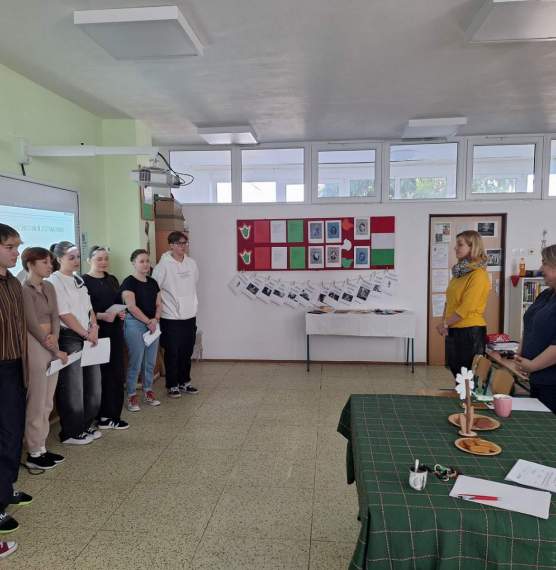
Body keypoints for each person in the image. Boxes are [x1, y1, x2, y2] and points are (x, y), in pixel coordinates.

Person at [48, 242, 101, 445]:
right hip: (70, 336)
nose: (76, 261)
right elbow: (64, 313)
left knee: (93, 384)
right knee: (73, 386)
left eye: (78, 257)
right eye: (71, 257)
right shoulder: (54, 281)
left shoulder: (78, 279)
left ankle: (85, 425)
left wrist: (94, 327)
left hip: (88, 334)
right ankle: (71, 432)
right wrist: (85, 333)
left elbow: (89, 308)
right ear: (59, 259)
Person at [0, 224, 32, 553]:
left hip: (14, 365)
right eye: (10, 247)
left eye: (17, 246)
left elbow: (20, 325)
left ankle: (5, 489)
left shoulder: (12, 282)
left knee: (12, 432)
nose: (16, 253)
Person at [21, 247, 68, 469]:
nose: (50, 266)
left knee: (48, 401)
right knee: (37, 401)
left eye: (50, 262)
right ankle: (33, 451)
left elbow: (55, 316)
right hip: (35, 344)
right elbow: (30, 322)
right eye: (45, 262)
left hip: (51, 343)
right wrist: (49, 343)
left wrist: (55, 338)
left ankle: (41, 447)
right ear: (30, 264)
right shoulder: (24, 289)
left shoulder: (49, 286)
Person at [82, 246, 129, 430]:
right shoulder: (83, 281)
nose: (103, 262)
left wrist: (120, 313)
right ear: (89, 260)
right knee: (101, 375)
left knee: (116, 373)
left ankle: (113, 415)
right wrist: (101, 316)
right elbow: (84, 309)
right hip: (97, 333)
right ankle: (102, 416)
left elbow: (117, 302)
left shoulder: (112, 279)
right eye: (99, 259)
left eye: (105, 258)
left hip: (115, 331)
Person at [437, 230, 491, 378]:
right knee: (457, 373)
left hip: (470, 332)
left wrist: (445, 323)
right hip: (454, 329)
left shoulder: (479, 275)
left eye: (460, 244)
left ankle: (466, 395)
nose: (455, 248)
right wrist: (444, 321)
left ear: (473, 247)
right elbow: (449, 300)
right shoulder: (458, 274)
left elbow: (466, 308)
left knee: (468, 377)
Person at [153, 231, 199, 398]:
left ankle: (184, 381)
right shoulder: (163, 265)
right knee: (172, 351)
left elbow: (194, 283)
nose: (183, 246)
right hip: (170, 316)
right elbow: (155, 288)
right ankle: (172, 384)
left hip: (189, 314)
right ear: (171, 245)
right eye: (179, 243)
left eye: (185, 243)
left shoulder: (191, 263)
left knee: (187, 350)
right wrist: (158, 312)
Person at [515, 245, 556, 413]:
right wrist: (520, 355)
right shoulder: (546, 295)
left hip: (551, 382)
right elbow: (529, 324)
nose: (541, 268)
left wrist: (532, 365)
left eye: (545, 263)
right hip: (537, 378)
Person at [121, 249, 162, 412]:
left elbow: (159, 304)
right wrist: (148, 321)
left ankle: (148, 391)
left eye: (147, 261)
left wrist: (155, 319)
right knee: (136, 362)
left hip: (153, 324)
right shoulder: (129, 282)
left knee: (150, 362)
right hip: (135, 324)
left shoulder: (153, 282)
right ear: (134, 263)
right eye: (141, 261)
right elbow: (131, 306)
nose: (146, 264)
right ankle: (131, 395)